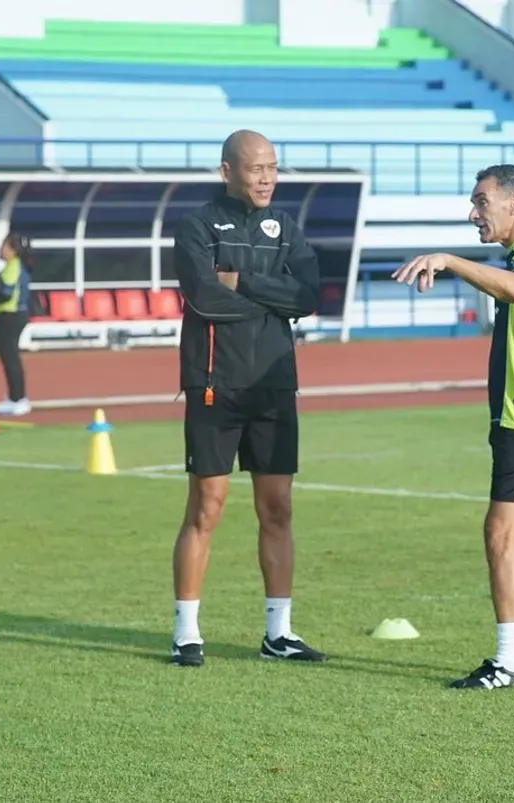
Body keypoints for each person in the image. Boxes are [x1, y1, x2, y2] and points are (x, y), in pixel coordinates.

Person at [392, 164, 514, 691]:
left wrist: (449, 260)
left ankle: (508, 661)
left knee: (500, 535)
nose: (473, 213)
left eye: (481, 202)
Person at [168, 129, 326, 668]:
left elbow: (308, 296)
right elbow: (202, 296)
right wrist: (270, 296)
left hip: (274, 387)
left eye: (273, 168)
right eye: (256, 168)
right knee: (206, 509)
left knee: (278, 509)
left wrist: (244, 282)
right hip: (214, 383)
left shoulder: (286, 228)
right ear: (226, 171)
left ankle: (278, 634)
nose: (266, 177)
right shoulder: (195, 227)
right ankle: (186, 631)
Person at [0, 232, 33, 416]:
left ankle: (19, 398)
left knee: (10, 357)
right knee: (8, 357)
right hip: (10, 315)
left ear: (13, 250)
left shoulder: (13, 266)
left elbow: (6, 292)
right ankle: (14, 397)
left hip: (10, 315)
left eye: (5, 245)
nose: (1, 249)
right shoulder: (13, 266)